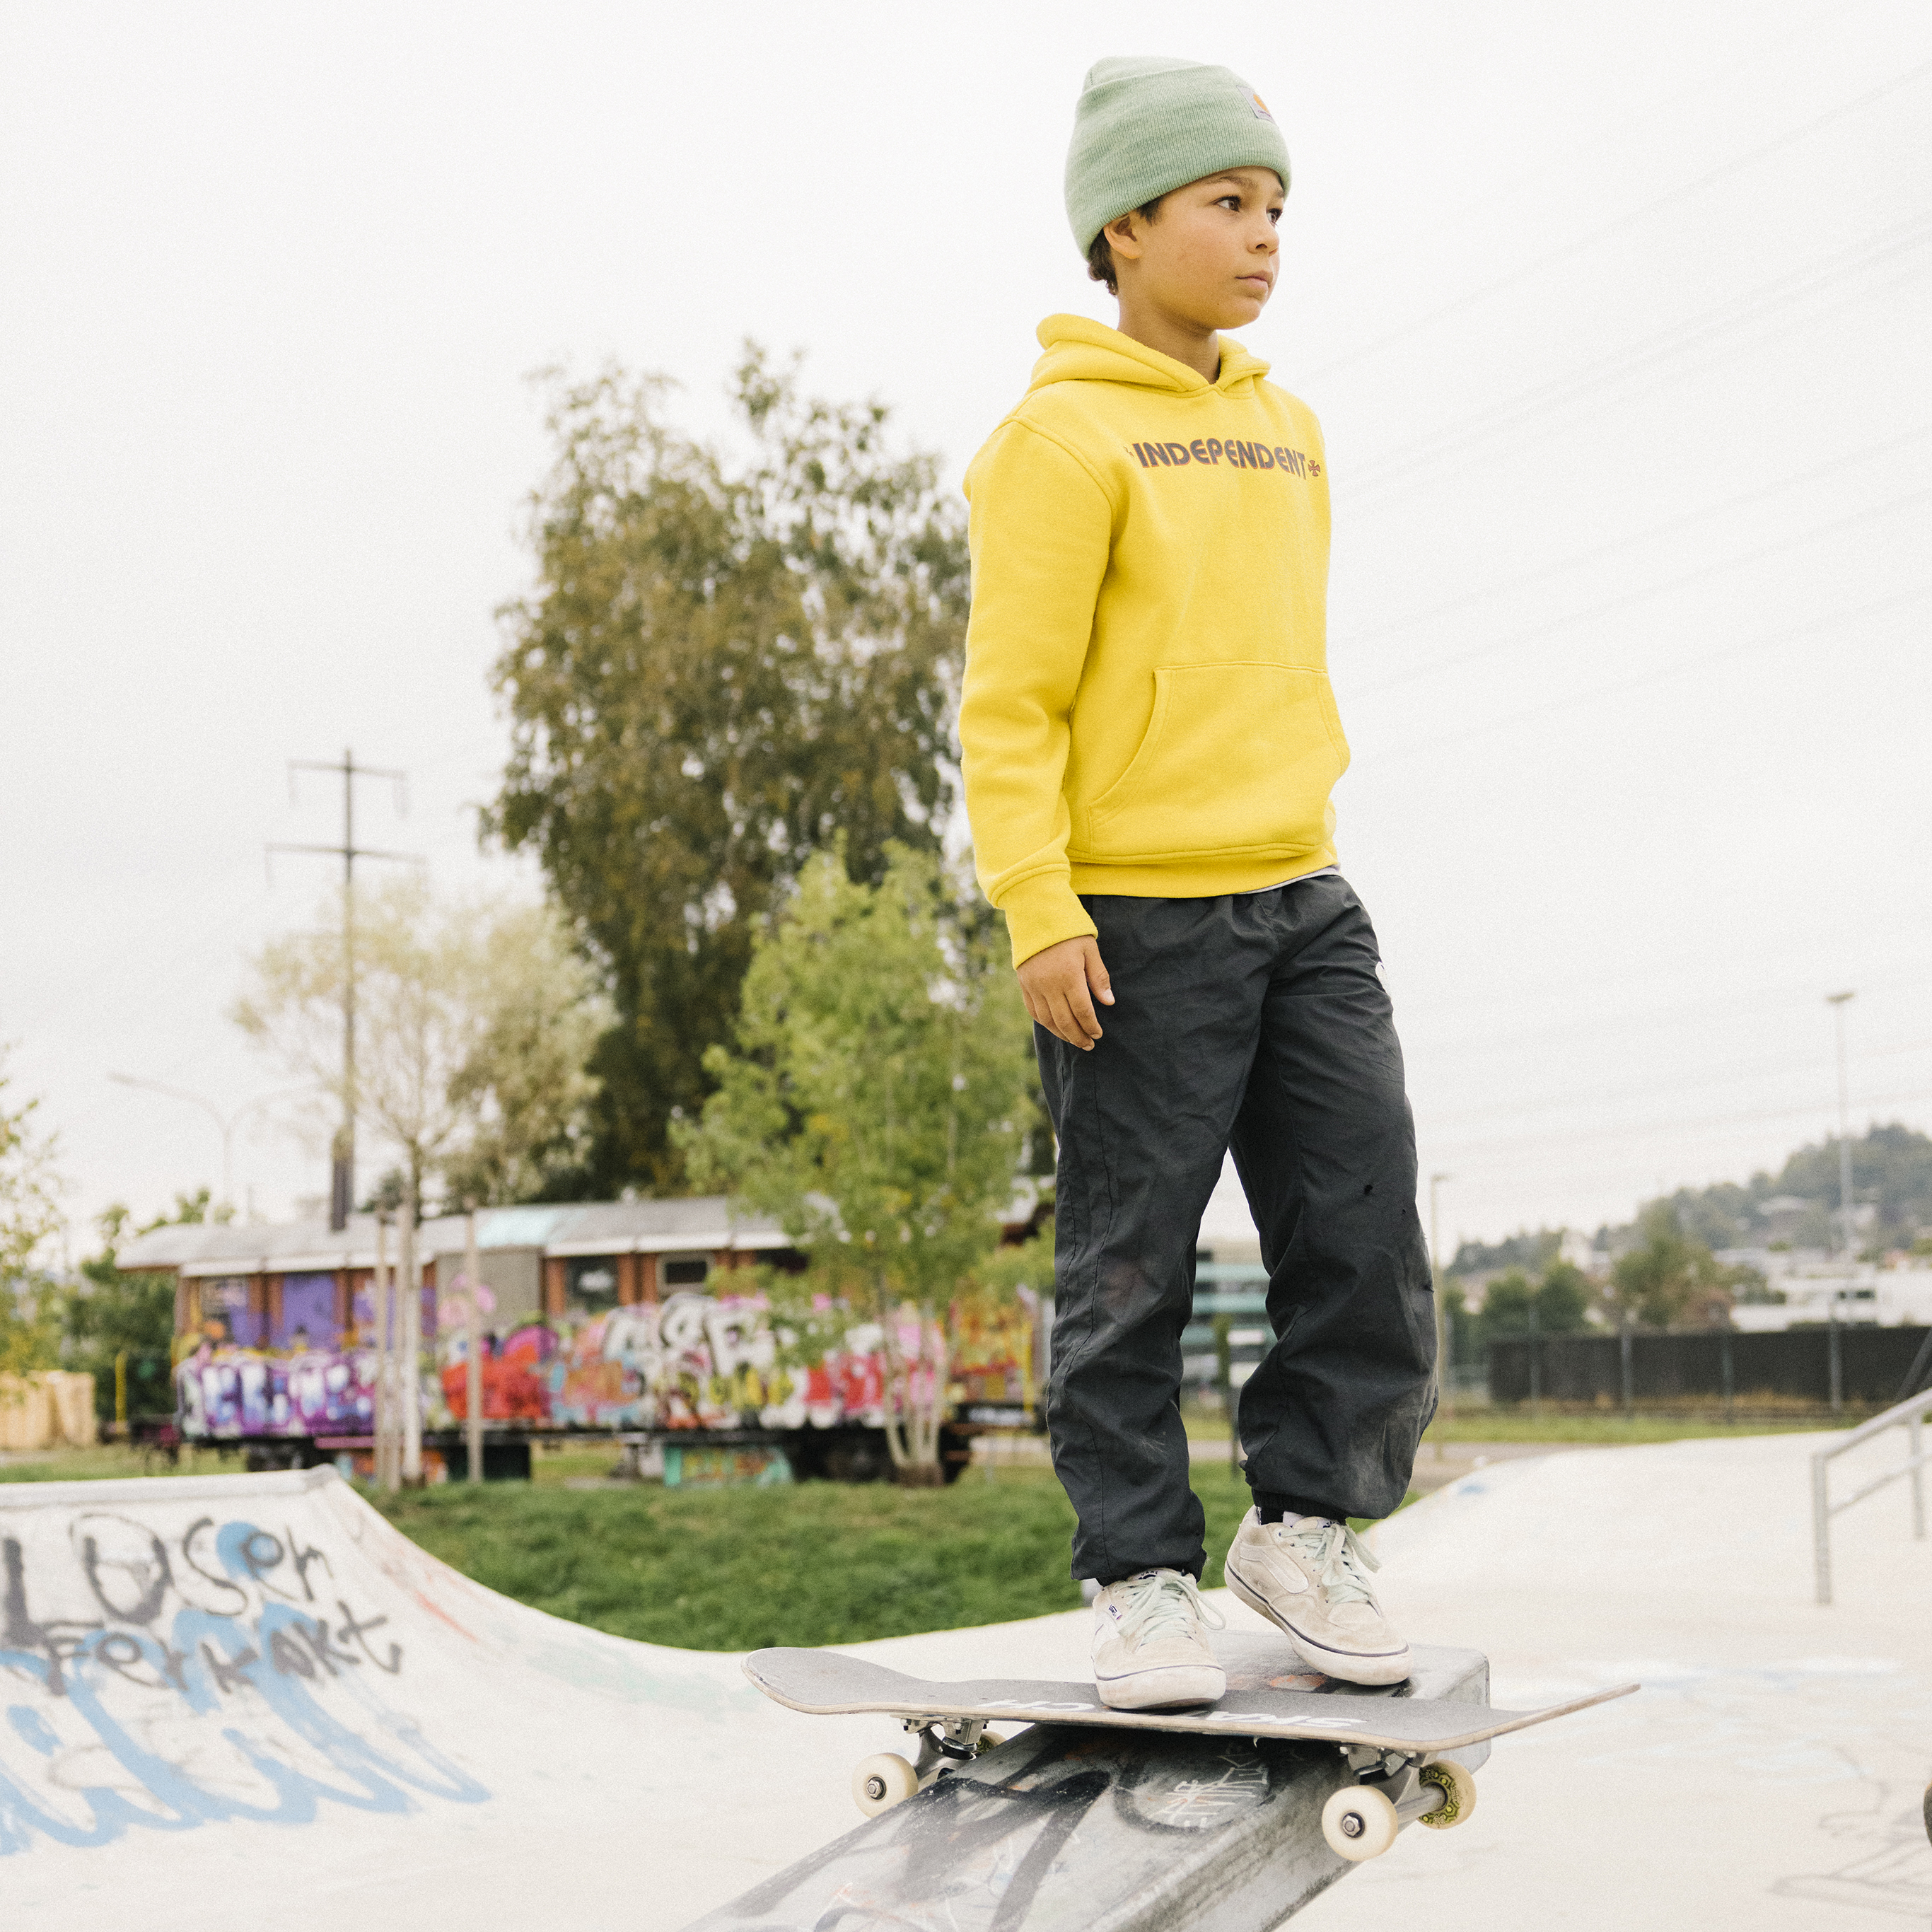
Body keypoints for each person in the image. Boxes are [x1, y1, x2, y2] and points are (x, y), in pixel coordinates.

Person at [958, 55, 1437, 1711]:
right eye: (1227, 204)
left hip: (1301, 888)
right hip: (1131, 921)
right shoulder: (1057, 440)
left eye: (1277, 208)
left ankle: (1306, 1525)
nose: (1262, 237)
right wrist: (1037, 901)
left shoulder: (1285, 430)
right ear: (1124, 224)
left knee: (1364, 1223)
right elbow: (1006, 701)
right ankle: (1139, 1578)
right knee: (1128, 1263)